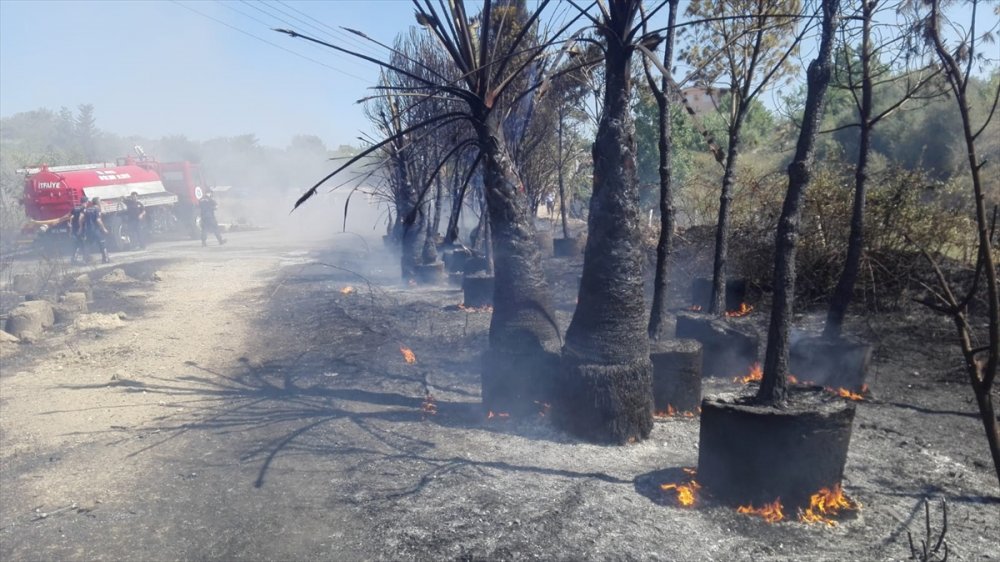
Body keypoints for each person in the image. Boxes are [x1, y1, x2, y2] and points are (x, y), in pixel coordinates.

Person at [83, 197, 110, 264]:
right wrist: (104, 229)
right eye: (100, 201)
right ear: (97, 202)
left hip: (88, 230)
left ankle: (86, 260)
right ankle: (105, 259)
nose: (100, 202)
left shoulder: (87, 209)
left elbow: (82, 219)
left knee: (88, 244)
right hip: (95, 229)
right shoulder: (97, 209)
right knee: (102, 243)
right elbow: (98, 220)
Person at [69, 194, 89, 264]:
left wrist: (71, 228)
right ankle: (85, 260)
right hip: (80, 230)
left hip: (74, 229)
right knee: (83, 244)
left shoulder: (75, 208)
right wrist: (80, 228)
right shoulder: (83, 209)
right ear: (86, 202)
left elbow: (70, 218)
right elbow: (81, 218)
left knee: (77, 244)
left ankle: (73, 259)